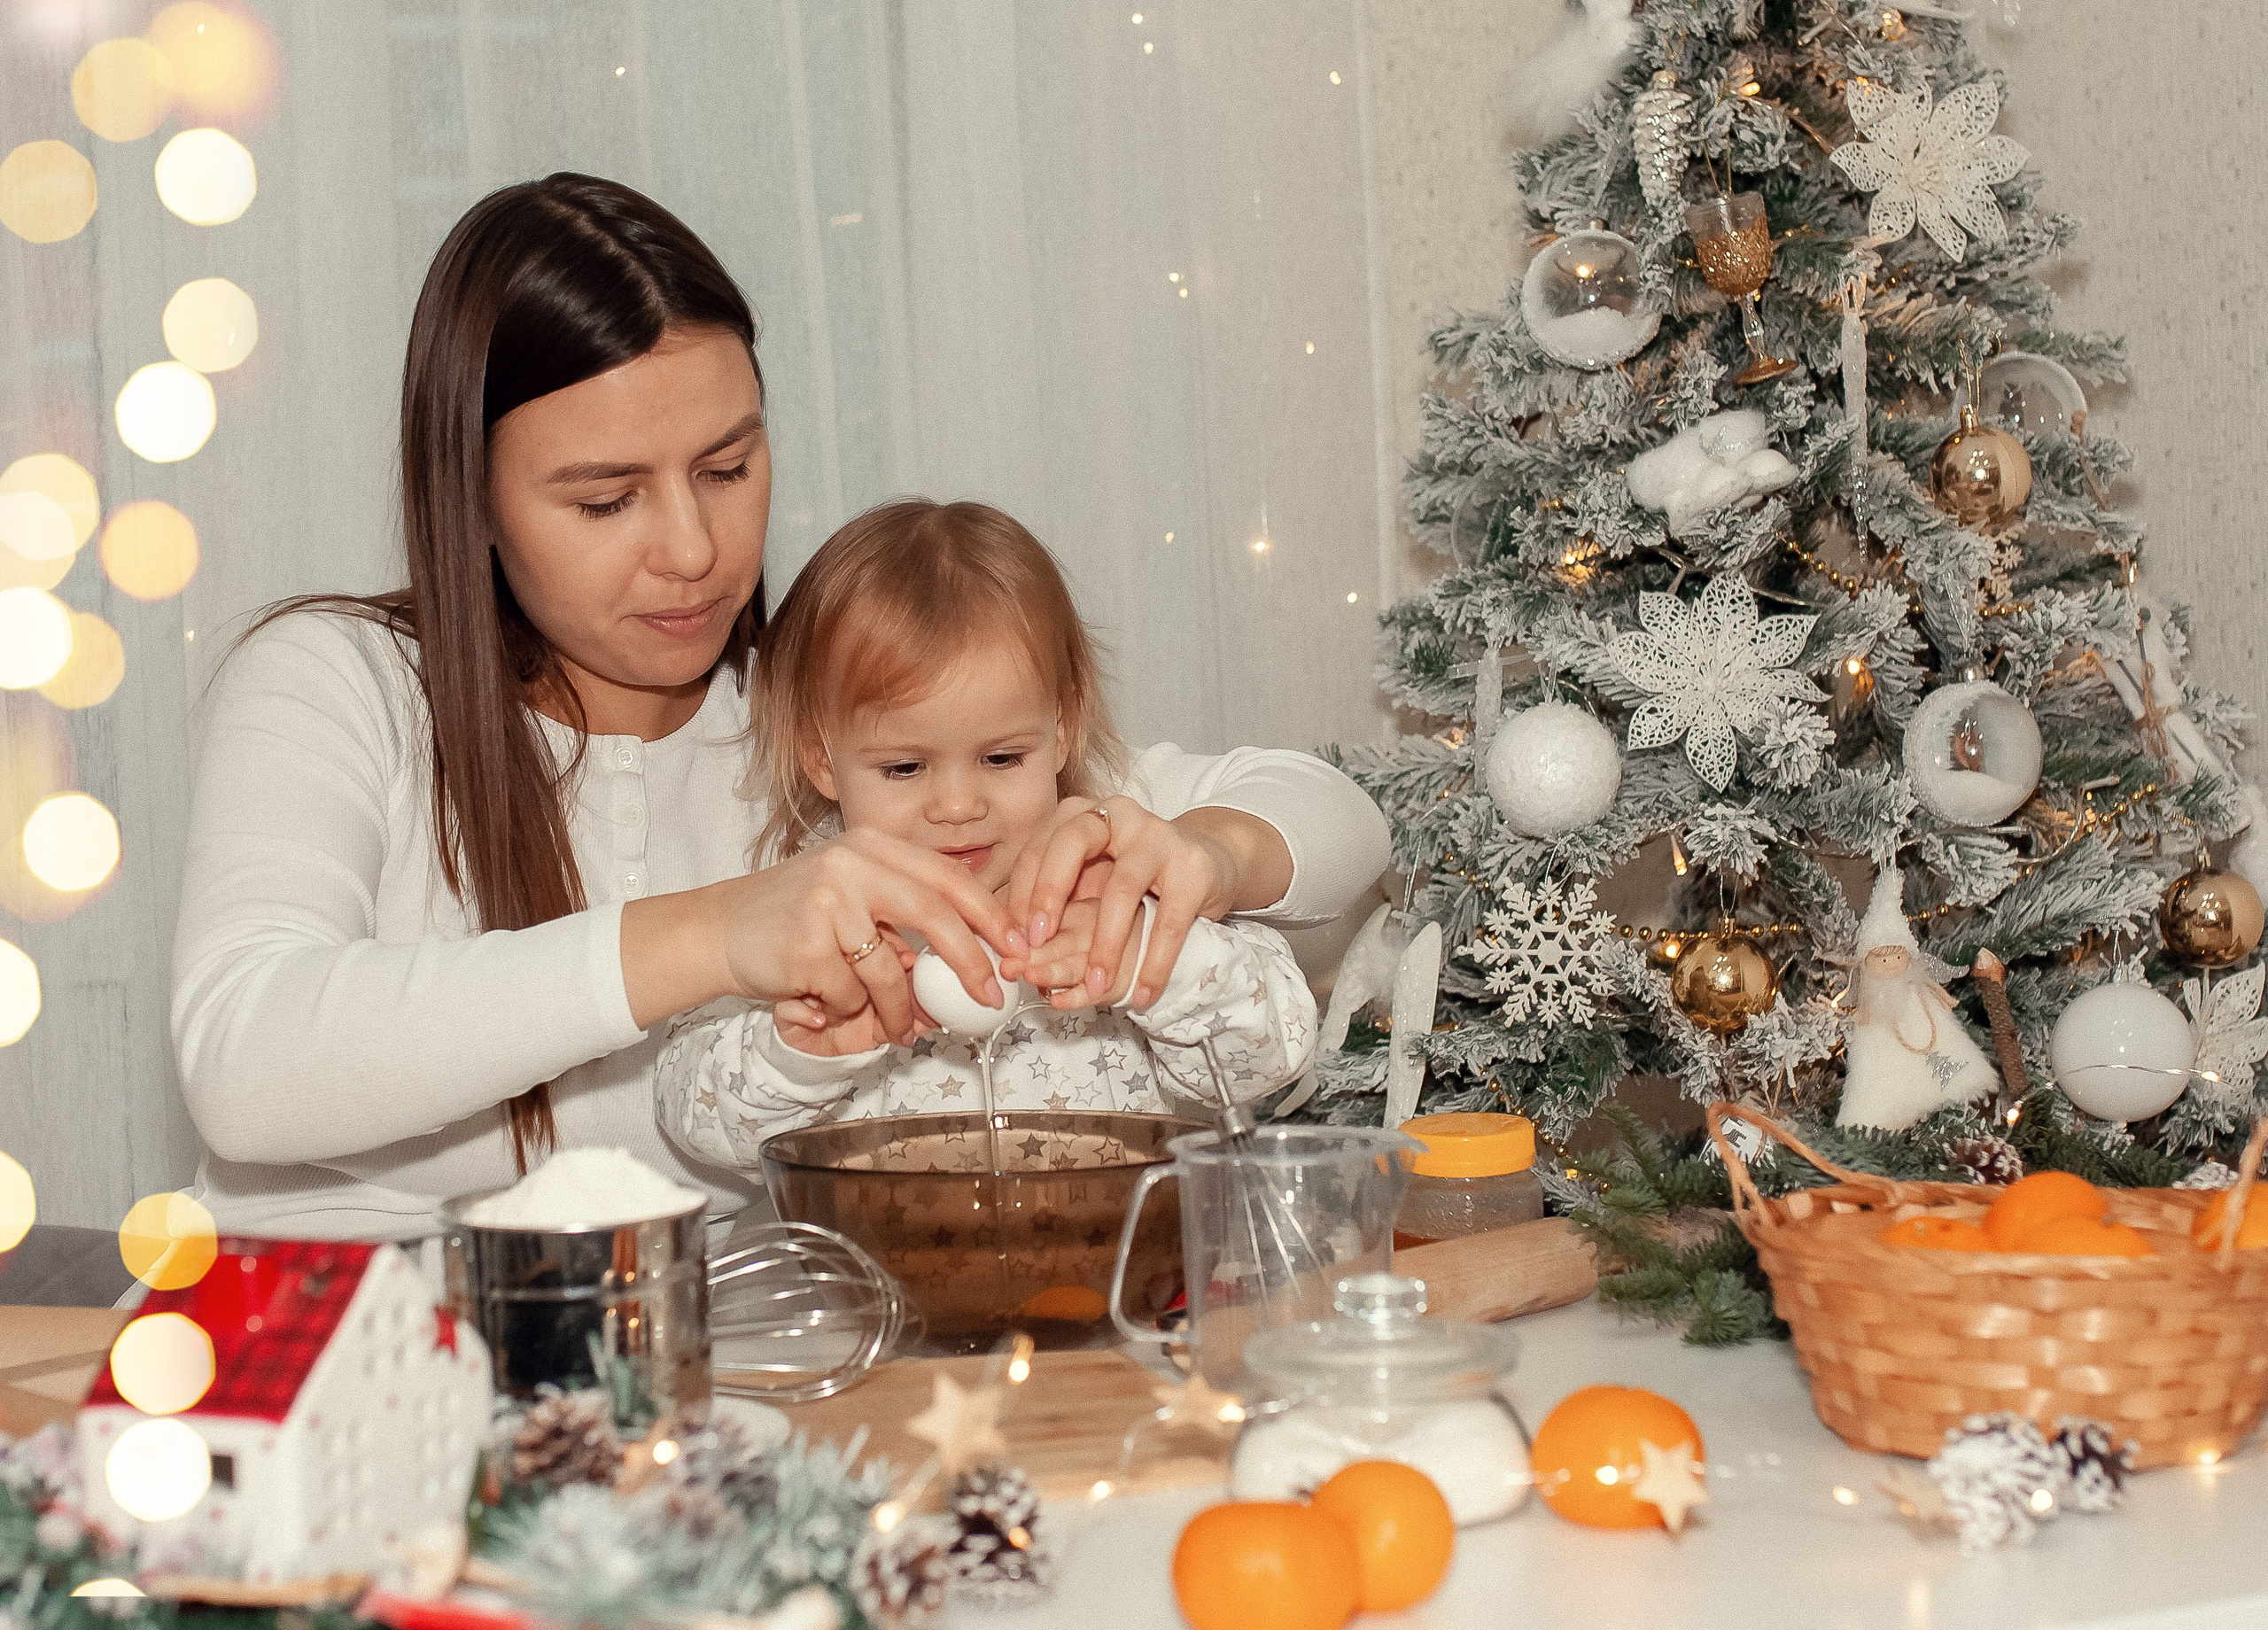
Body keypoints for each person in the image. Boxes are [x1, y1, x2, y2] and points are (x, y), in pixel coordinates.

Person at [170, 174, 1388, 1240]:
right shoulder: (343, 681)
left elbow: (1339, 825)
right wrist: (715, 934)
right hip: (331, 1336)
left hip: (704, 1373)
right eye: (606, 502)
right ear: (473, 497)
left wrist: (1197, 860)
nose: (695, 550)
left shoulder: (843, 738)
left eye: (728, 467)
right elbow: (245, 1063)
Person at [656, 501, 1318, 1161]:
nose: (957, 806)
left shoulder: (1112, 887)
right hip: (878, 1264)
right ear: (821, 757)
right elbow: (693, 1114)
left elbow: (1275, 1052)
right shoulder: (802, 919)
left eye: (1001, 758)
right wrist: (798, 1056)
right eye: (905, 767)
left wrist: (1155, 960)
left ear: (1061, 731)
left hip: (1122, 1259)